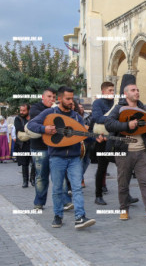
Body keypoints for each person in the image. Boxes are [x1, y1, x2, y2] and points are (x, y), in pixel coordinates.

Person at [28, 86, 95, 229]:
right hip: (57, 157)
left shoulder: (77, 116)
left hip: (74, 157)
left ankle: (80, 217)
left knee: (77, 187)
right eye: (68, 99)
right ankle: (58, 216)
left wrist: (96, 138)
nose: (72, 102)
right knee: (57, 188)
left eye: (73, 98)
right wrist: (44, 129)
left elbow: (83, 137)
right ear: (59, 99)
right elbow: (31, 125)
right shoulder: (49, 113)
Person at [105, 74, 146, 222]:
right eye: (133, 90)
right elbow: (109, 125)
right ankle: (124, 209)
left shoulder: (143, 108)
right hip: (124, 152)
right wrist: (127, 125)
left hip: (142, 151)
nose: (137, 92)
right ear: (126, 93)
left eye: (138, 90)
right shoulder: (119, 108)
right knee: (123, 183)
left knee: (145, 182)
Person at [29, 88, 59, 210]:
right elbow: (44, 119)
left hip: (55, 147)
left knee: (60, 175)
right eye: (49, 96)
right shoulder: (36, 108)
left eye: (54, 97)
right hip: (39, 148)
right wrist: (54, 109)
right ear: (43, 97)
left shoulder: (56, 108)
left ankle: (65, 202)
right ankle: (39, 202)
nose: (52, 99)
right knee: (41, 176)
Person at [92, 82, 115, 205]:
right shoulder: (98, 103)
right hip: (102, 140)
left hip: (116, 139)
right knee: (102, 168)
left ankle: (126, 195)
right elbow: (97, 118)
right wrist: (113, 120)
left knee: (124, 168)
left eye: (113, 90)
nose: (112, 92)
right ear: (103, 91)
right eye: (110, 90)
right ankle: (98, 195)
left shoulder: (116, 103)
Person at [14, 104, 35, 187]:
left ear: (28, 110)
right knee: (24, 163)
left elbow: (36, 127)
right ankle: (25, 181)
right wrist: (31, 129)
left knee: (34, 163)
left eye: (24, 110)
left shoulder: (33, 118)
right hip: (22, 145)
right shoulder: (18, 118)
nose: (21, 112)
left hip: (33, 143)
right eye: (21, 110)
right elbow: (19, 128)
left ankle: (32, 179)